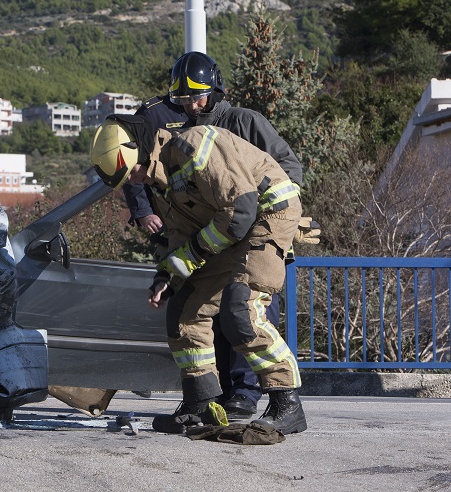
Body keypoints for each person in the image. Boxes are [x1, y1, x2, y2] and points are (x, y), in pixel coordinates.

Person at [90, 115, 307, 435]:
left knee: (241, 307)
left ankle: (286, 402)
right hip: (229, 227)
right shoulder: (161, 184)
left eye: (132, 172)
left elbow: (242, 209)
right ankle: (200, 403)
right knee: (184, 311)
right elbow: (182, 235)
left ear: (139, 149)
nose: (134, 181)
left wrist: (194, 254)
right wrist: (168, 276)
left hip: (266, 212)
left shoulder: (196, 146)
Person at [126, 51, 305, 419]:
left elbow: (287, 173)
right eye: (184, 99)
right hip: (221, 233)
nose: (192, 104)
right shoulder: (183, 141)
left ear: (215, 90)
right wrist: (169, 272)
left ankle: (250, 395)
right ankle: (205, 398)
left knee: (242, 312)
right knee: (193, 309)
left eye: (198, 96)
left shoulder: (243, 122)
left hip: (253, 230)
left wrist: (269, 222)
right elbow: (186, 216)